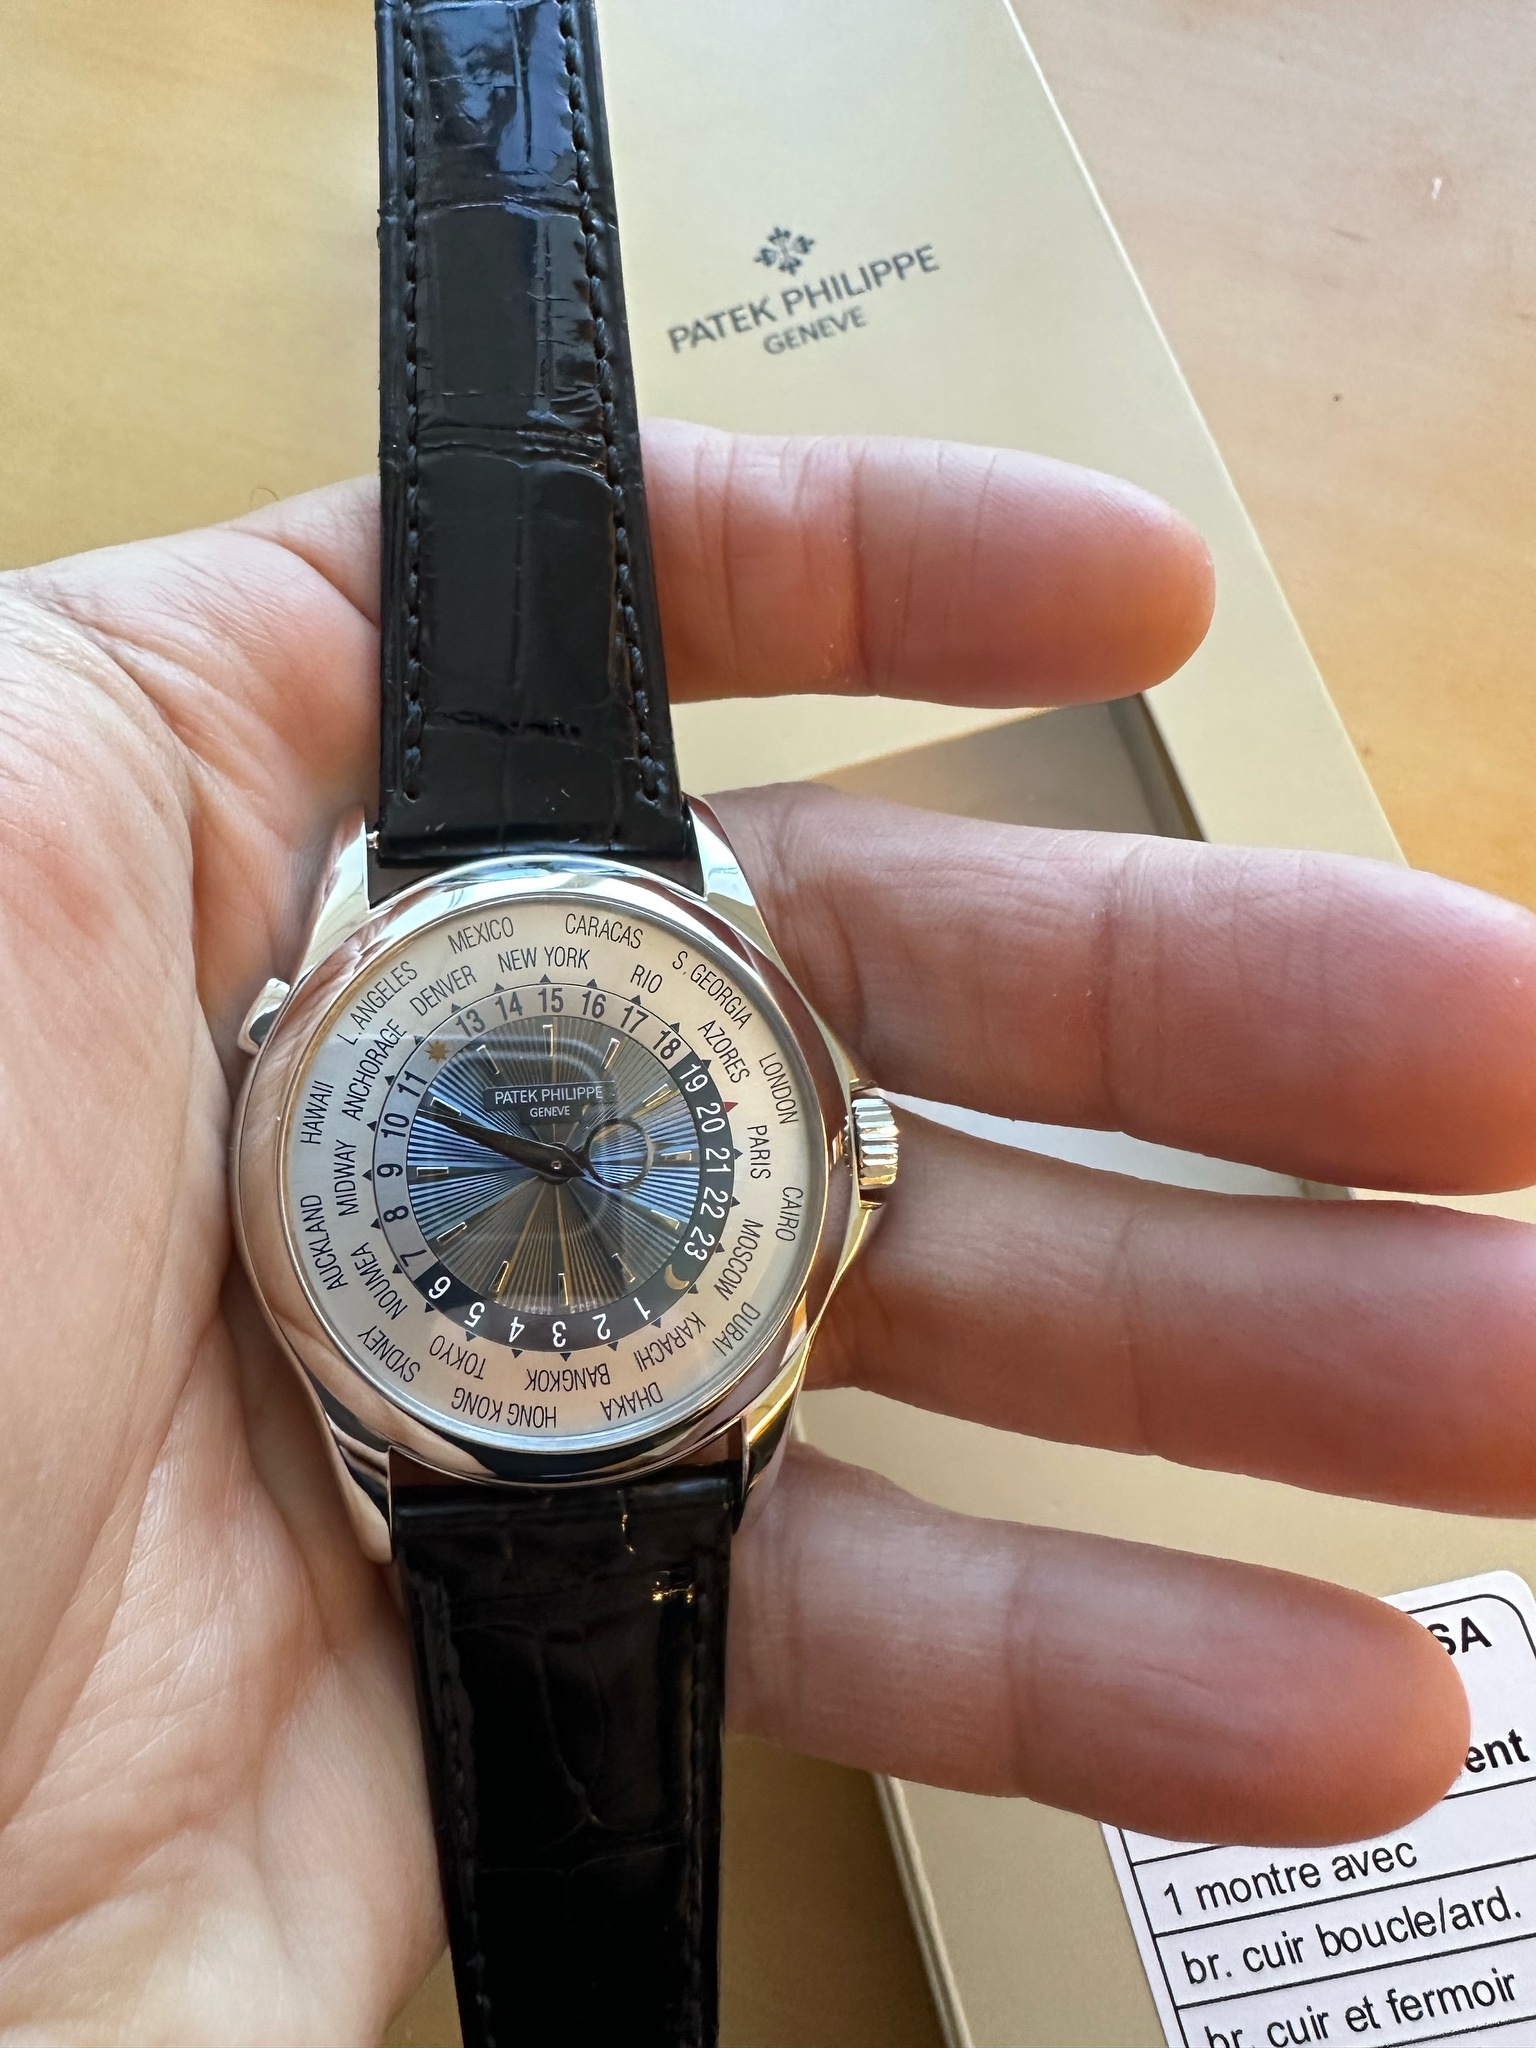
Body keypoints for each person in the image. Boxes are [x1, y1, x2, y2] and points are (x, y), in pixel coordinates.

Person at [1, 421, 1529, 2039]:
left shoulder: (634, 1073)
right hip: (426, 1424)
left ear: (848, 1164)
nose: (559, 1159)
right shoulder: (399, 1022)